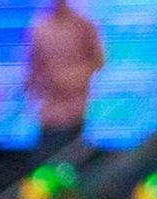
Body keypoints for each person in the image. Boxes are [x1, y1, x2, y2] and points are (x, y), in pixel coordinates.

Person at [22, 0, 103, 164]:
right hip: (48, 113)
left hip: (76, 112)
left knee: (73, 165)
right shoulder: (39, 28)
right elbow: (33, 68)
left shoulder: (83, 26)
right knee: (46, 165)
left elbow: (98, 60)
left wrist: (72, 78)